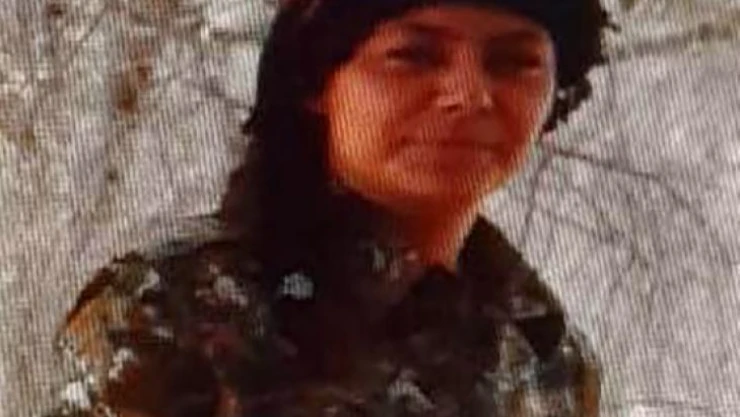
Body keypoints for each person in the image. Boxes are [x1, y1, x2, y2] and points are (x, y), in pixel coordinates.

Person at [45, 0, 614, 416]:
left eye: (514, 62)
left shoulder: (545, 350)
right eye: (414, 56)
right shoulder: (175, 306)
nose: (470, 94)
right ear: (317, 82)